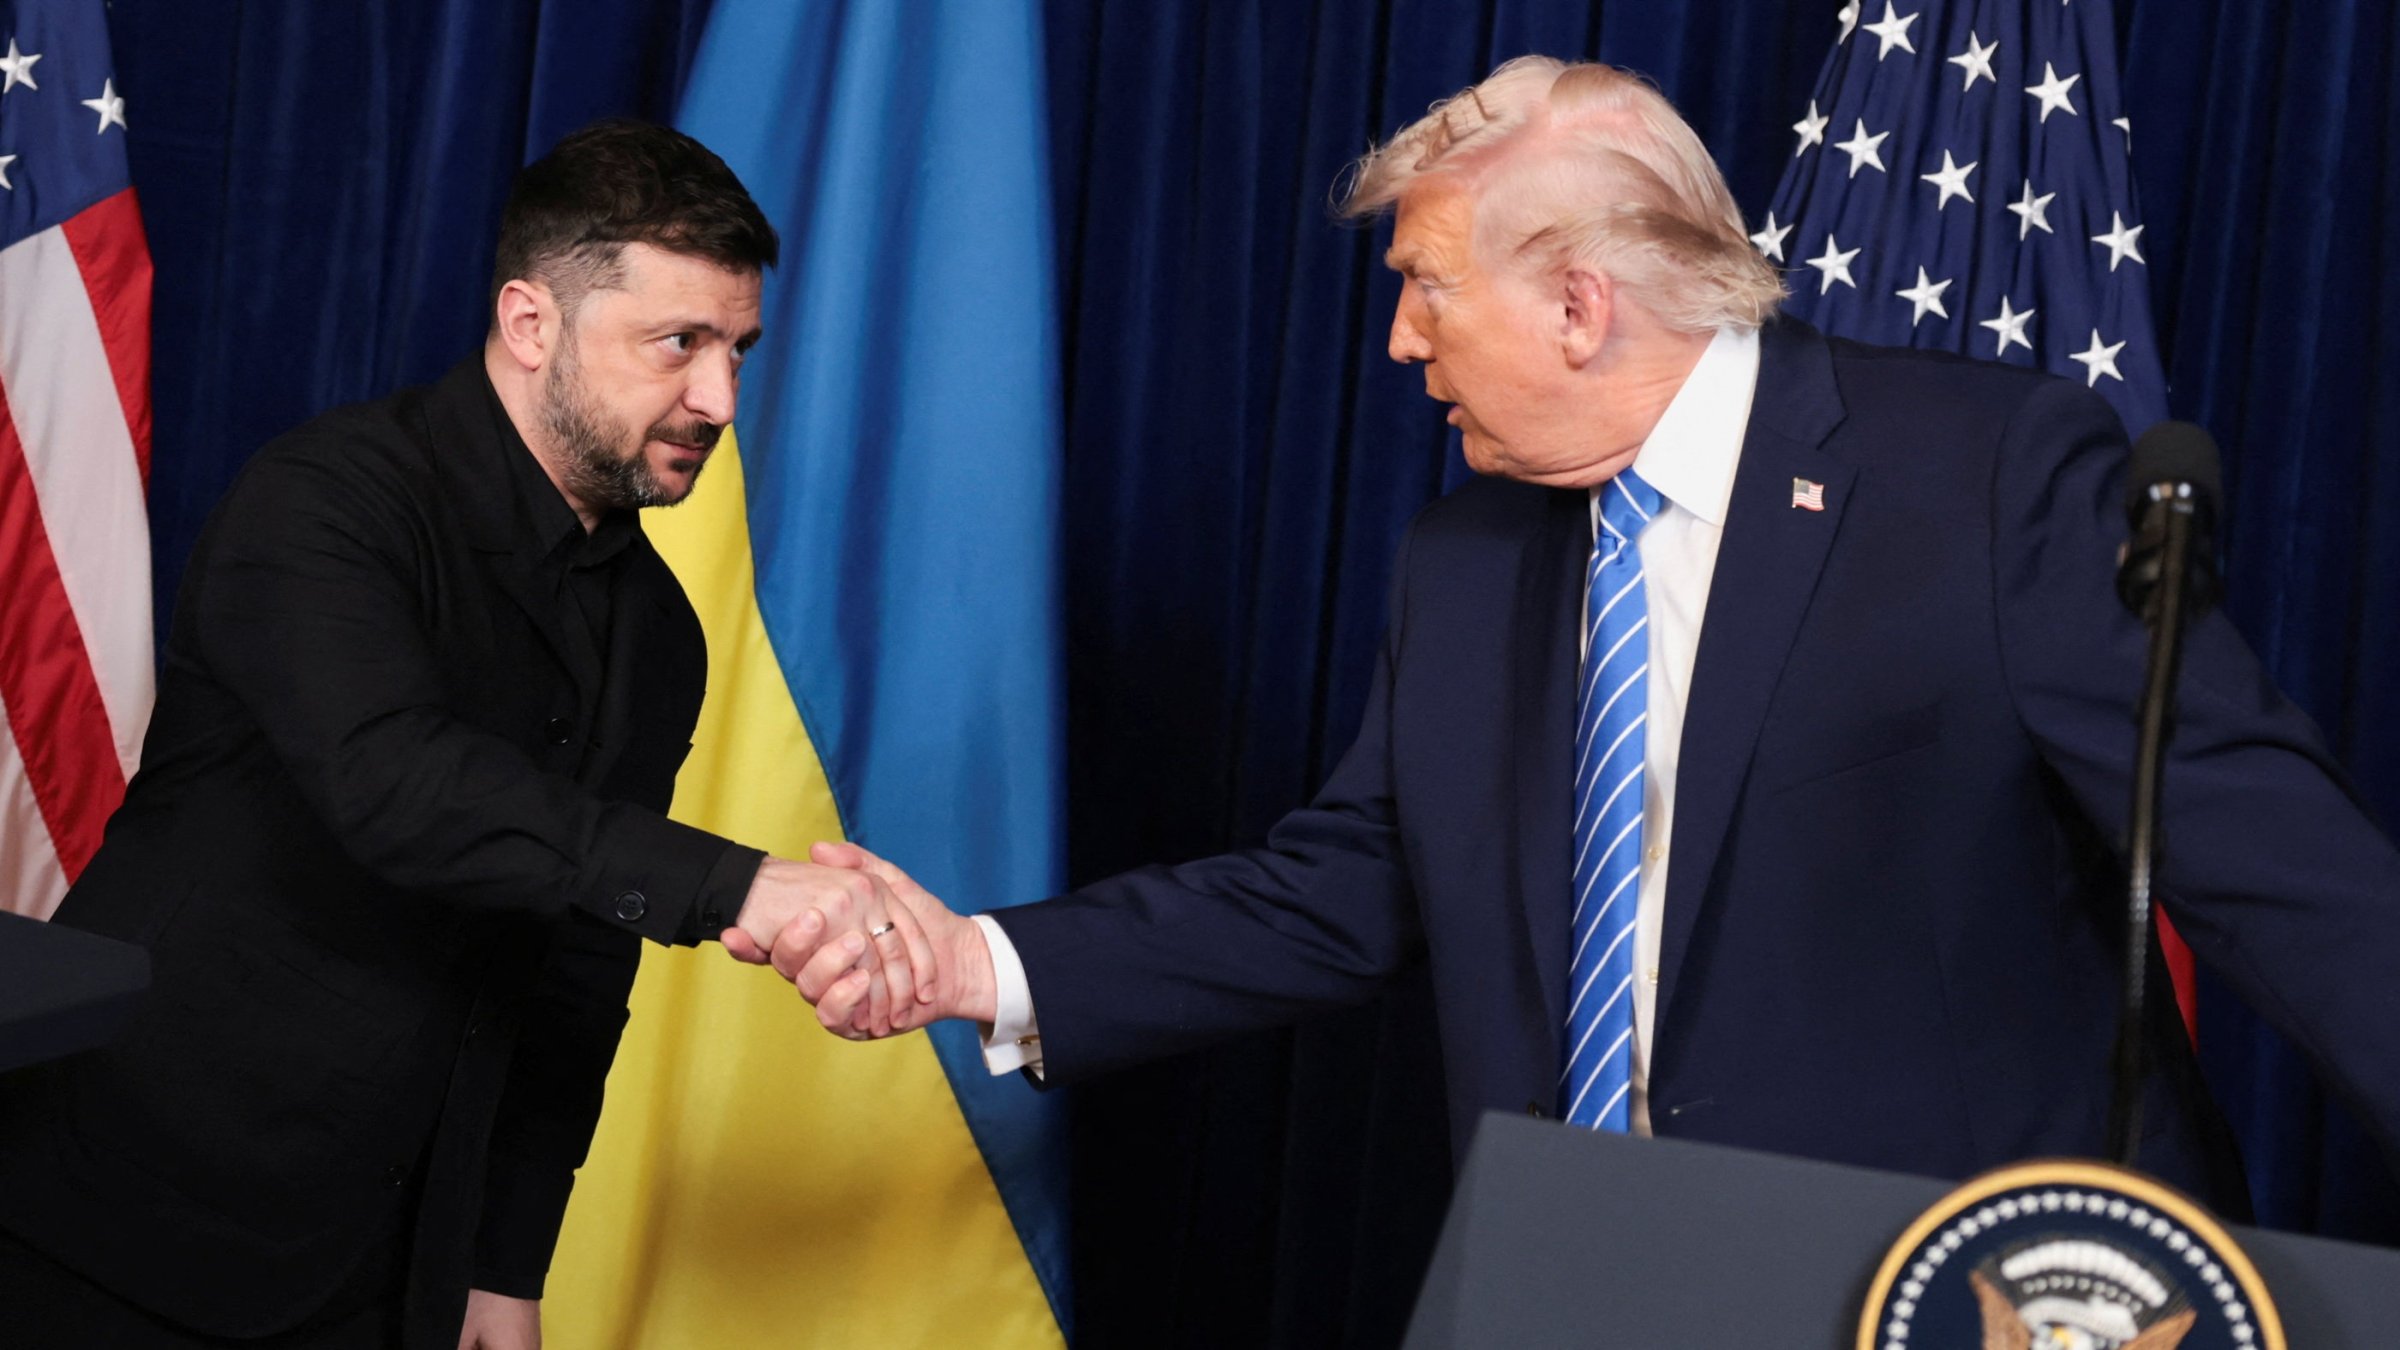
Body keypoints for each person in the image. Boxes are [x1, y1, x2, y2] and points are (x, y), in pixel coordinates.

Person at [771, 58, 2400, 1212]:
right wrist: (975, 962)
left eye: (1423, 288)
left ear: (1577, 303)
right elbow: (1337, 894)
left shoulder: (1982, 478)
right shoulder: (1468, 559)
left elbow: (2269, 860)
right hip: (1585, 1282)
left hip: (1950, 1290)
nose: (1403, 343)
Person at [0, 120, 930, 1350]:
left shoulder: (660, 633)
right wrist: (734, 885)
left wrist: (506, 1262)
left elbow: (583, 971)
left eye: (738, 352)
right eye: (679, 343)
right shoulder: (327, 499)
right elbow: (397, 784)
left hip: (391, 1271)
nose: (719, 399)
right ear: (531, 323)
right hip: (129, 1221)